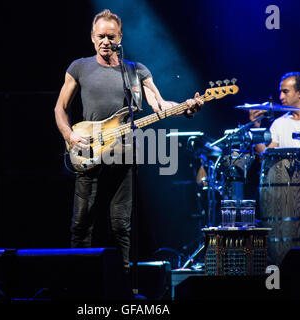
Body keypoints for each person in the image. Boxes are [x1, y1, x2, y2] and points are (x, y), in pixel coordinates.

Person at [54, 9, 204, 270]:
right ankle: (79, 281)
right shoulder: (79, 67)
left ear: (120, 37)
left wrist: (184, 107)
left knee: (121, 224)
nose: (105, 42)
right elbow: (60, 108)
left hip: (124, 155)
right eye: (100, 36)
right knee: (81, 223)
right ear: (92, 37)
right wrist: (70, 134)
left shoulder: (135, 71)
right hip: (88, 149)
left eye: (111, 37)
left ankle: (123, 285)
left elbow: (159, 103)